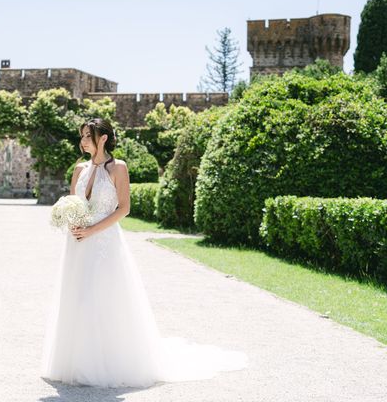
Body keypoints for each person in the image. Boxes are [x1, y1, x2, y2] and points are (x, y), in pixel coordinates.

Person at [40, 118, 249, 388]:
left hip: (104, 243)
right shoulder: (79, 169)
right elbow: (73, 203)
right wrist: (71, 223)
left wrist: (92, 231)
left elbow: (123, 209)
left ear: (103, 138)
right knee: (77, 296)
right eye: (81, 136)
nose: (82, 142)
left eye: (87, 137)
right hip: (77, 244)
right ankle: (75, 362)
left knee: (102, 298)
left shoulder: (119, 168)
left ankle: (106, 363)